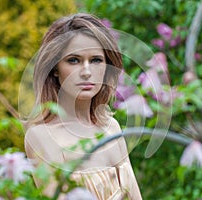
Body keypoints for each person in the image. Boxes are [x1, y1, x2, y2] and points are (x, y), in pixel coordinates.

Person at [24, 13, 142, 200]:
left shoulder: (111, 128)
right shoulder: (42, 137)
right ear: (54, 68)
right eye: (73, 60)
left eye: (96, 60)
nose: (86, 72)